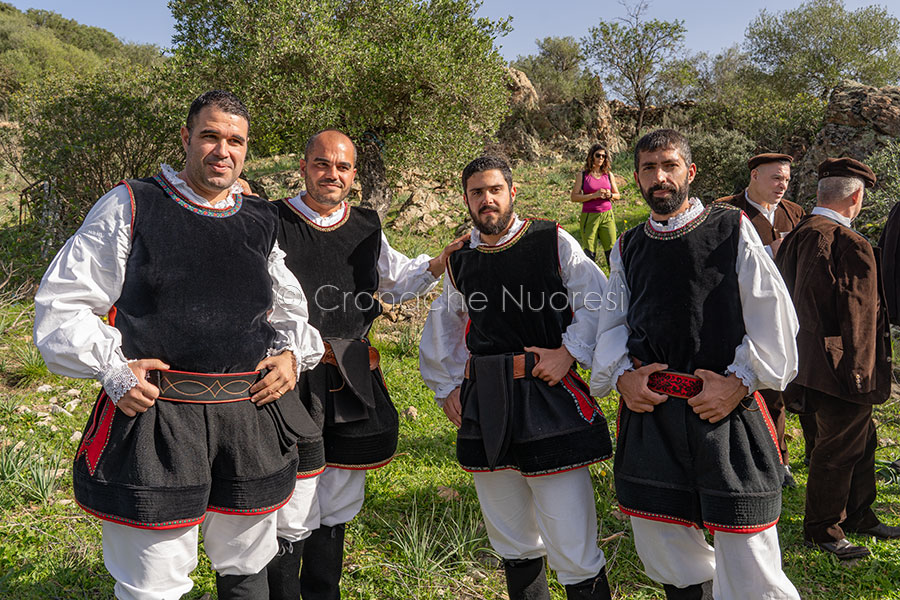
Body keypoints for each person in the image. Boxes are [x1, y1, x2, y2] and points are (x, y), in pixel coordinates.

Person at [33, 90, 325, 599]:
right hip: (156, 416)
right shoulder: (134, 204)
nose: (222, 150)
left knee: (247, 568)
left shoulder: (259, 220)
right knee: (154, 582)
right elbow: (62, 306)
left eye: (236, 141)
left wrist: (292, 354)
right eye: (210, 135)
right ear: (186, 138)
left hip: (247, 415)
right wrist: (114, 368)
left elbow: (287, 308)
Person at [591, 129, 800, 600]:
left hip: (723, 408)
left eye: (669, 165)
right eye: (648, 168)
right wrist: (623, 378)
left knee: (748, 552)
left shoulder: (731, 228)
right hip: (652, 412)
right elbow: (612, 325)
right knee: (665, 546)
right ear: (637, 177)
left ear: (691, 171)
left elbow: (774, 319)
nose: (659, 177)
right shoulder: (628, 245)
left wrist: (741, 382)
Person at [267, 129, 464, 599]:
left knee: (337, 496)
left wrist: (438, 263)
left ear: (354, 175)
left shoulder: (365, 225)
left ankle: (322, 593)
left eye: (342, 167)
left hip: (353, 374)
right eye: (321, 164)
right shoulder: (271, 219)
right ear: (303, 166)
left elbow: (395, 281)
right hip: (289, 375)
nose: (331, 174)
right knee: (290, 498)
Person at [420, 155, 614, 600]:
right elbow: (444, 327)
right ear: (466, 199)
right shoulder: (461, 259)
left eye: (494, 190)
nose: (486, 200)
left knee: (573, 541)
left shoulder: (553, 241)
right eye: (476, 192)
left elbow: (598, 302)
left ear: (512, 192)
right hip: (485, 399)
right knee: (512, 539)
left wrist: (570, 352)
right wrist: (446, 386)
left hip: (547, 394)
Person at [775, 157, 900, 560]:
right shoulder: (852, 244)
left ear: (819, 193)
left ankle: (861, 515)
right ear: (857, 196)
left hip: (804, 363)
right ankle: (823, 531)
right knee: (837, 451)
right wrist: (863, 376)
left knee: (862, 442)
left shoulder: (797, 233)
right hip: (842, 369)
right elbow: (859, 317)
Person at [717, 152, 804, 487]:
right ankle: (747, 457)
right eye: (775, 178)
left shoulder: (793, 212)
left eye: (786, 179)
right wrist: (770, 256)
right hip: (740, 314)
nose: (782, 185)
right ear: (754, 176)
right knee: (748, 385)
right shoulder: (726, 210)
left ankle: (779, 461)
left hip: (784, 313)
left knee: (779, 388)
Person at [570, 143, 620, 265]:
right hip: (589, 216)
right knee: (589, 253)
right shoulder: (582, 175)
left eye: (604, 156)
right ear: (591, 157)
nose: (601, 158)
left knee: (612, 251)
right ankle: (591, 282)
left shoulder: (608, 175)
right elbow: (574, 197)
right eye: (598, 155)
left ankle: (614, 281)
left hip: (607, 215)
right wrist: (594, 195)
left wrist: (610, 195)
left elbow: (617, 195)